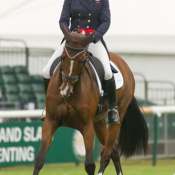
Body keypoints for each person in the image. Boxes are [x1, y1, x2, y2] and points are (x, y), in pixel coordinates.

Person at [42, 0, 120, 124]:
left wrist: (95, 36)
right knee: (46, 71)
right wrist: (69, 35)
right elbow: (63, 20)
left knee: (107, 72)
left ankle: (112, 109)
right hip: (73, 41)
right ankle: (49, 108)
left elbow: (106, 21)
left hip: (92, 40)